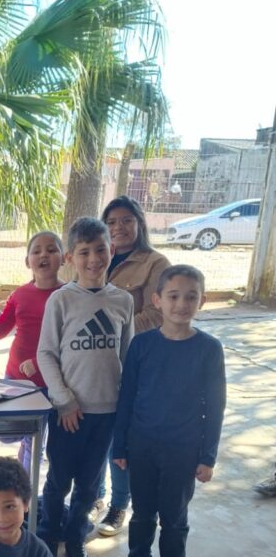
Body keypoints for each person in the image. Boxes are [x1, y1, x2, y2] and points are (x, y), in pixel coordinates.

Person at [104, 265, 226, 557]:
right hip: (142, 446)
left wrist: (207, 456)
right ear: (157, 300)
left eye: (190, 297)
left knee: (174, 519)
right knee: (142, 512)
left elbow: (215, 405)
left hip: (183, 451)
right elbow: (127, 397)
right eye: (173, 296)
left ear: (202, 301)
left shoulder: (208, 349)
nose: (181, 304)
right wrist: (120, 446)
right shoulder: (142, 345)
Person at [36, 217, 134, 557]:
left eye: (100, 250)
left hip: (106, 413)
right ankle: (47, 540)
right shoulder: (61, 300)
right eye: (84, 252)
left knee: (89, 485)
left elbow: (127, 357)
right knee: (58, 481)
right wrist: (63, 400)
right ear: (70, 258)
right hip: (68, 413)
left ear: (112, 250)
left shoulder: (123, 301)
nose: (93, 259)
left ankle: (75, 541)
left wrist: (126, 410)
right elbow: (46, 353)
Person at [95, 195, 171, 537]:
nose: (118, 227)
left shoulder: (155, 263)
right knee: (96, 432)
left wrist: (114, 331)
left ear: (139, 223)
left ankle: (118, 505)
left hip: (135, 363)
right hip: (95, 363)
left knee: (120, 438)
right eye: (111, 222)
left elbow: (158, 313)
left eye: (126, 220)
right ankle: (94, 496)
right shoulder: (97, 256)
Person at [0, 230, 65, 472]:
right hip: (15, 379)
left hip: (50, 381)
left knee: (36, 441)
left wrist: (39, 361)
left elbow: (69, 342)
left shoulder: (68, 296)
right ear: (27, 261)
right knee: (5, 434)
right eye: (37, 251)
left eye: (51, 250)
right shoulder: (19, 294)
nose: (44, 255)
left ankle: (26, 490)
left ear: (64, 258)